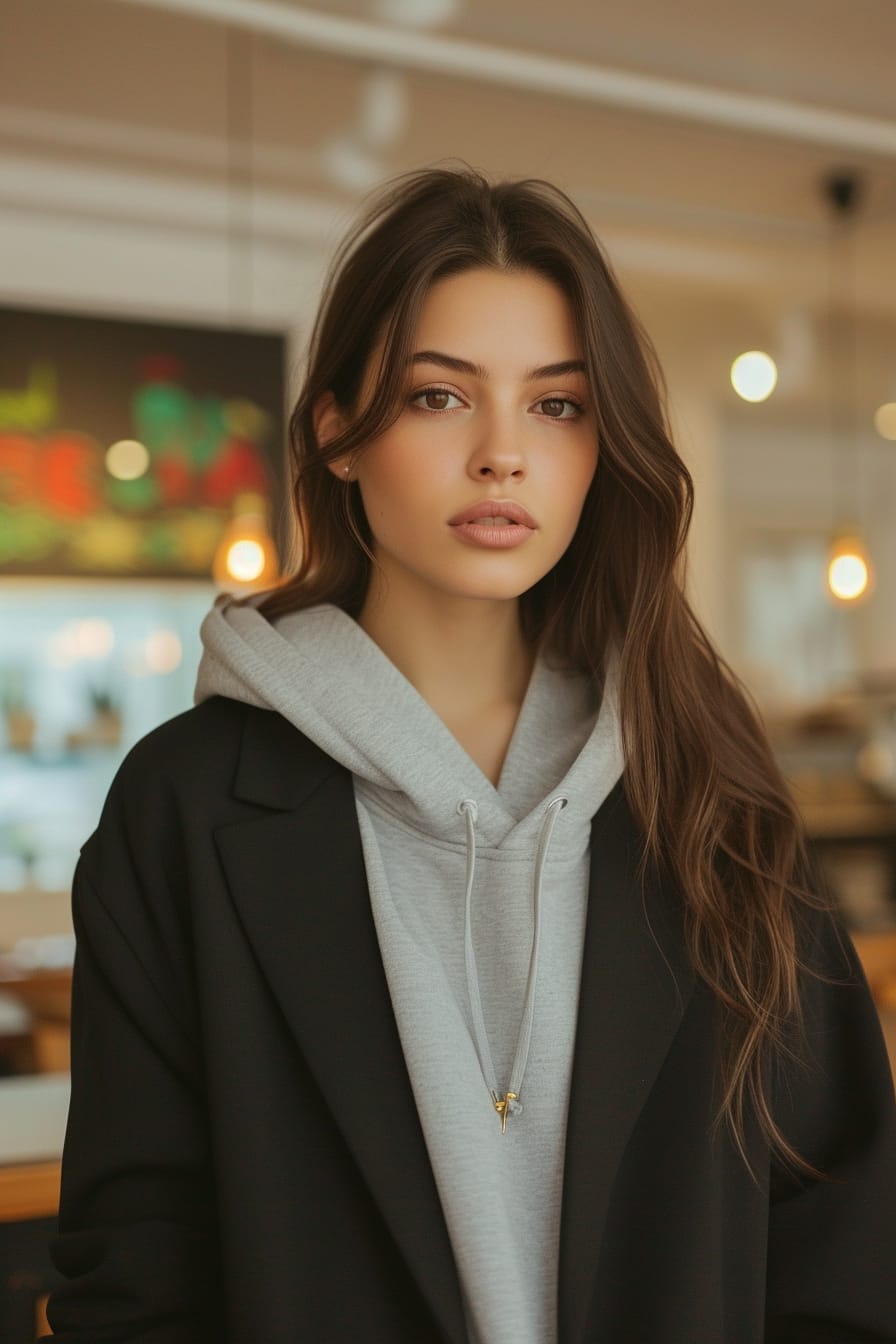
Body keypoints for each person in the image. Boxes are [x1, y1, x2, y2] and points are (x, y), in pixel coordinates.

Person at [46, 167, 896, 1344]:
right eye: (439, 397)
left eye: (556, 406)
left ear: (604, 448)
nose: (503, 455)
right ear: (338, 429)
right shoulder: (183, 808)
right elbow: (135, 1277)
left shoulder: (703, 787)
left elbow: (843, 1235)